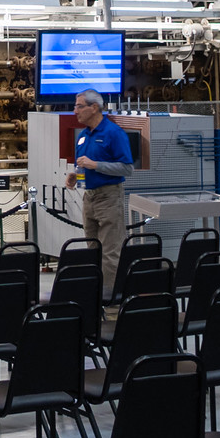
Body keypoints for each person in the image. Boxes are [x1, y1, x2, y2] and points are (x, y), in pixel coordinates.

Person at [66, 89, 133, 292]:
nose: (75, 111)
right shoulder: (84, 136)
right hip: (90, 198)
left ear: (94, 108)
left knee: (110, 251)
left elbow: (127, 168)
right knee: (92, 249)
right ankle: (95, 296)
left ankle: (110, 299)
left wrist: (96, 165)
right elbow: (83, 164)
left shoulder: (114, 133)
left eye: (79, 106)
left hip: (109, 197)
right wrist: (74, 175)